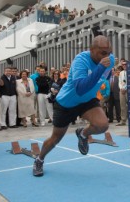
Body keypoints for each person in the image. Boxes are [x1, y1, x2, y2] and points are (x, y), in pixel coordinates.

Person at [32, 36, 114, 177]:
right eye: (102, 53)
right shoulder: (80, 60)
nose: (106, 56)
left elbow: (105, 77)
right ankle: (39, 159)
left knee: (102, 125)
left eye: (109, 52)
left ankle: (82, 134)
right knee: (55, 139)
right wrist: (100, 67)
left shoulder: (109, 60)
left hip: (87, 100)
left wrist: (103, 71)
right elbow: (80, 89)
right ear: (91, 50)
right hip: (67, 103)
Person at [116, 60, 128, 126]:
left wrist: (125, 88)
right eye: (123, 65)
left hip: (128, 90)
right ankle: (123, 120)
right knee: (122, 106)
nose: (124, 66)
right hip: (122, 91)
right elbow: (120, 82)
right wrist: (121, 88)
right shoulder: (121, 73)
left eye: (125, 64)